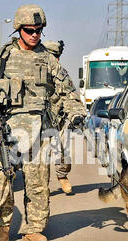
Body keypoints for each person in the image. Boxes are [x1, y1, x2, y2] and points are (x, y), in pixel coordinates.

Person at [0, 4, 85, 241]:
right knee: (1, 179)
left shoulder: (48, 59)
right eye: (29, 30)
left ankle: (33, 228)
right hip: (8, 130)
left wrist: (76, 113)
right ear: (18, 30)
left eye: (38, 30)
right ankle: (2, 226)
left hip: (40, 131)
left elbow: (68, 91)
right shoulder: (1, 57)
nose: (34, 35)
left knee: (37, 181)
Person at [43, 40, 86, 194]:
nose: (53, 59)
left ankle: (62, 176)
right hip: (38, 121)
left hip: (58, 120)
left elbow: (70, 95)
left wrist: (76, 114)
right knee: (40, 156)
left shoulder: (61, 73)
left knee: (62, 153)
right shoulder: (34, 72)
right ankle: (43, 185)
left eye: (55, 56)